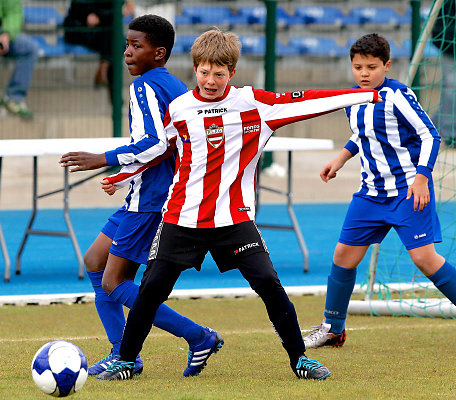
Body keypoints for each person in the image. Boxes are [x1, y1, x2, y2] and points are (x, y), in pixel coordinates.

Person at [96, 27, 381, 382]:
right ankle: (125, 360)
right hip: (182, 217)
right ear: (194, 69)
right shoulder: (180, 108)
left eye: (219, 73)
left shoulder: (255, 105)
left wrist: (362, 96)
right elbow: (158, 149)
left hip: (233, 219)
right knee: (152, 289)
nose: (210, 80)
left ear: (232, 72)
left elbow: (308, 100)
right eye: (203, 71)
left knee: (269, 284)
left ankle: (300, 359)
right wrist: (121, 176)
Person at [59, 14, 221, 378]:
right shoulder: (174, 85)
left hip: (151, 197)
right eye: (127, 45)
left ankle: (196, 337)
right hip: (148, 192)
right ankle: (123, 351)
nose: (128, 52)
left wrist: (102, 159)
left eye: (137, 46)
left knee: (114, 281)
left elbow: (154, 142)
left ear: (159, 53)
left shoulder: (145, 86)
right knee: (95, 261)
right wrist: (123, 176)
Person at [303, 33, 456, 349]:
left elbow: (431, 136)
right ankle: (333, 328)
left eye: (371, 67)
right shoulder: (352, 98)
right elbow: (363, 134)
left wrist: (422, 179)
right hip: (370, 194)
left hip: (407, 191)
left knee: (425, 260)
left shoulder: (398, 96)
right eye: (358, 67)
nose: (363, 73)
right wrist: (341, 158)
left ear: (386, 66)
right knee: (343, 256)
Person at [0, 0, 38, 121]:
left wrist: (7, 34)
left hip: (0, 32)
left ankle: (14, 98)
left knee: (30, 48)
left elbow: (14, 12)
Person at [63, 1, 134, 89]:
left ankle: (103, 69)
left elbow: (120, 9)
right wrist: (117, 13)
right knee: (113, 39)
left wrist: (112, 14)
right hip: (79, 30)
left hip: (102, 33)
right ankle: (112, 90)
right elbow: (92, 20)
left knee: (115, 40)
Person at [431, 0, 455, 147]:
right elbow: (438, 28)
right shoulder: (448, 3)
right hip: (450, 48)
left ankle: (435, 126)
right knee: (451, 89)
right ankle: (449, 133)